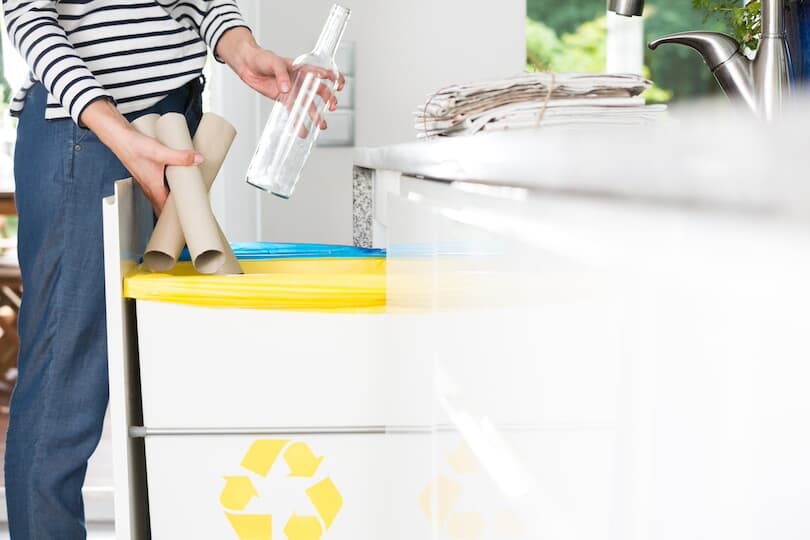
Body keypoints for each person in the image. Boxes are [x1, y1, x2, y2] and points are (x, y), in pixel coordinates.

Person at [0, 1, 342, 538]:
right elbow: (26, 15)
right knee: (64, 400)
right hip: (86, 131)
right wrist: (114, 129)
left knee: (166, 383)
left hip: (176, 120)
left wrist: (241, 48)